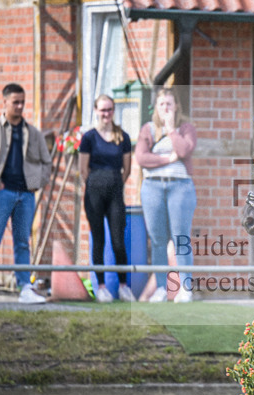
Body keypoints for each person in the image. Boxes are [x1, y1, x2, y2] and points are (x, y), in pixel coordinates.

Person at [0, 83, 51, 305]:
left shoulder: (33, 133)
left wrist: (36, 183)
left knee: (23, 242)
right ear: (4, 102)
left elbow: (46, 162)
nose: (20, 106)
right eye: (15, 102)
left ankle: (25, 288)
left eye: (22, 102)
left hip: (26, 195)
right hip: (1, 194)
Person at [134, 89, 198, 303]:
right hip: (152, 187)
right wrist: (168, 160)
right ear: (156, 108)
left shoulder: (185, 128)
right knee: (158, 239)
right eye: (162, 104)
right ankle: (161, 288)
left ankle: (185, 288)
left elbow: (184, 150)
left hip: (180, 187)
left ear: (176, 106)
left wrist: (171, 129)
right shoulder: (148, 129)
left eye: (169, 104)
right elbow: (142, 158)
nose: (166, 108)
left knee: (181, 238)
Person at [79, 94, 135, 303]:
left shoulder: (123, 137)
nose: (106, 114)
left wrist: (113, 182)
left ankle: (123, 286)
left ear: (114, 111)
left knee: (118, 241)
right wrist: (96, 183)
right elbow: (83, 169)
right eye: (103, 110)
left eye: (109, 109)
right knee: (99, 240)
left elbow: (127, 169)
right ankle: (101, 287)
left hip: (115, 195)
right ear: (96, 111)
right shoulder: (88, 138)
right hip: (94, 194)